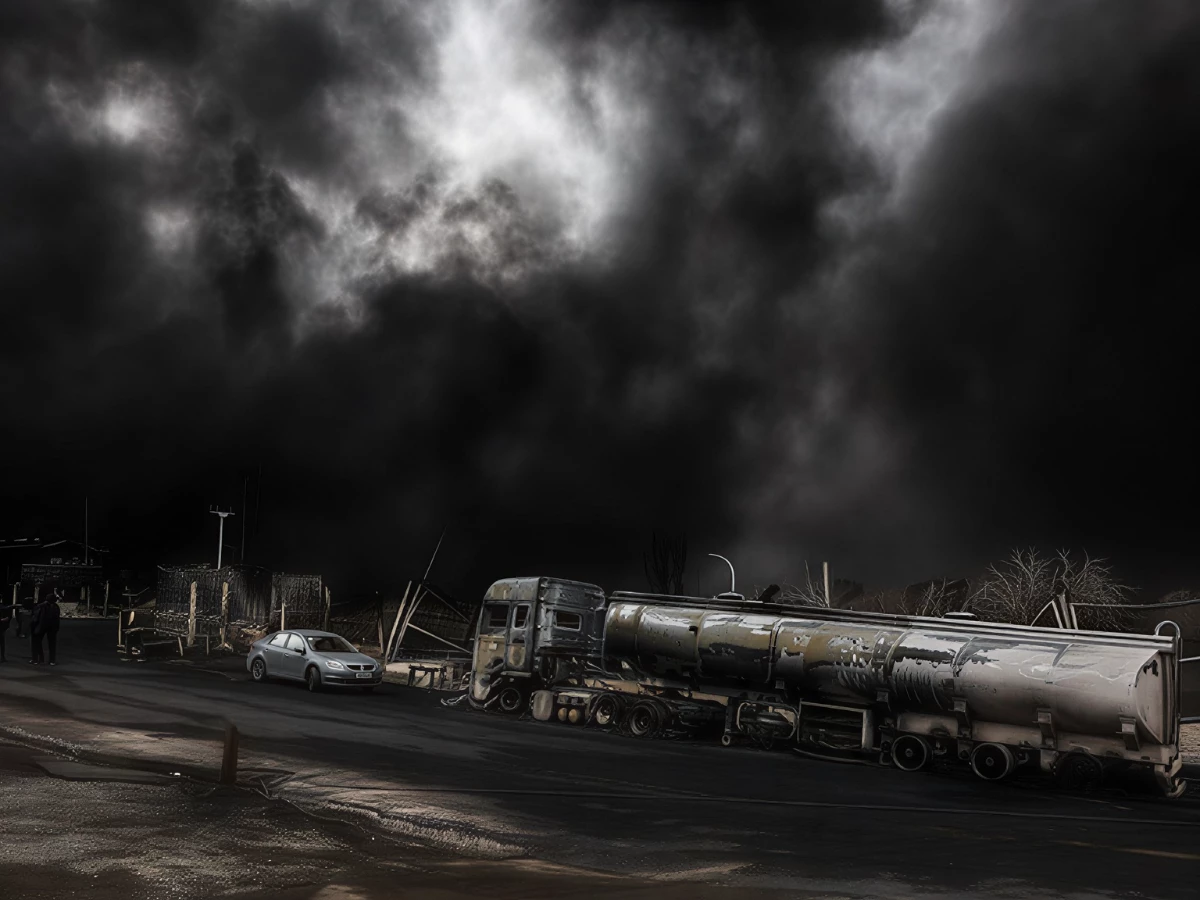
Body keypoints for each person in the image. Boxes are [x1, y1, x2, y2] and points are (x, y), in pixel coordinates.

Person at [31, 590, 62, 666]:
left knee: (36, 642)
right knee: (52, 644)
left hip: (41, 626)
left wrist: (33, 626)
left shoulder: (41, 606)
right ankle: (52, 660)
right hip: (52, 627)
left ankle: (37, 659)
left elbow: (36, 617)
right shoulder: (56, 607)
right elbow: (57, 618)